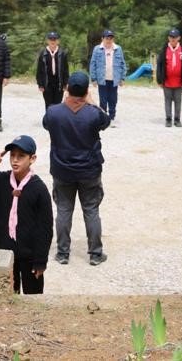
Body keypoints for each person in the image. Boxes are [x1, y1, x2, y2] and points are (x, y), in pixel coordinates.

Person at [0, 135, 54, 294]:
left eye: (21, 156)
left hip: (29, 256)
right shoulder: (0, 181)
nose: (15, 160)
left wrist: (41, 261)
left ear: (32, 158)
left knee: (32, 298)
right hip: (2, 252)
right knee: (4, 295)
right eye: (12, 155)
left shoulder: (38, 188)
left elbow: (45, 228)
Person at [42, 71, 111, 266]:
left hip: (62, 170)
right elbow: (106, 121)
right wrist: (92, 102)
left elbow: (46, 124)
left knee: (63, 210)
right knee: (91, 210)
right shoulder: (93, 113)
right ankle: (96, 254)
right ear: (87, 91)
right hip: (89, 170)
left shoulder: (54, 112)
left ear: (67, 89)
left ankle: (63, 253)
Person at [155, 27, 182, 127]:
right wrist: (159, 80)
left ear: (179, 38)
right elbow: (160, 65)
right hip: (167, 81)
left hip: (179, 81)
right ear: (168, 38)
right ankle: (168, 119)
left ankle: (177, 119)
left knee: (178, 101)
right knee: (167, 100)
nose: (173, 39)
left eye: (175, 37)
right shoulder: (164, 50)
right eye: (171, 37)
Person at [89, 29, 125, 126]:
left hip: (114, 79)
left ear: (113, 39)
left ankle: (112, 117)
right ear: (102, 38)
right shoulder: (97, 49)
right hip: (102, 79)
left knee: (113, 99)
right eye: (106, 38)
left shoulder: (118, 49)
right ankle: (103, 117)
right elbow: (93, 64)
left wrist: (122, 78)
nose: (108, 40)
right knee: (103, 99)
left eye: (110, 38)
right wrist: (93, 78)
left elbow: (122, 63)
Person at [36, 31, 69, 110]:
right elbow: (39, 70)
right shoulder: (43, 53)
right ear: (47, 41)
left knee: (58, 104)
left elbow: (65, 70)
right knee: (48, 104)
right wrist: (40, 84)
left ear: (58, 41)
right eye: (51, 39)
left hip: (59, 83)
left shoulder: (62, 53)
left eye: (55, 39)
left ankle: (56, 121)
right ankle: (49, 121)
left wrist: (65, 83)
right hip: (47, 83)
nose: (53, 41)